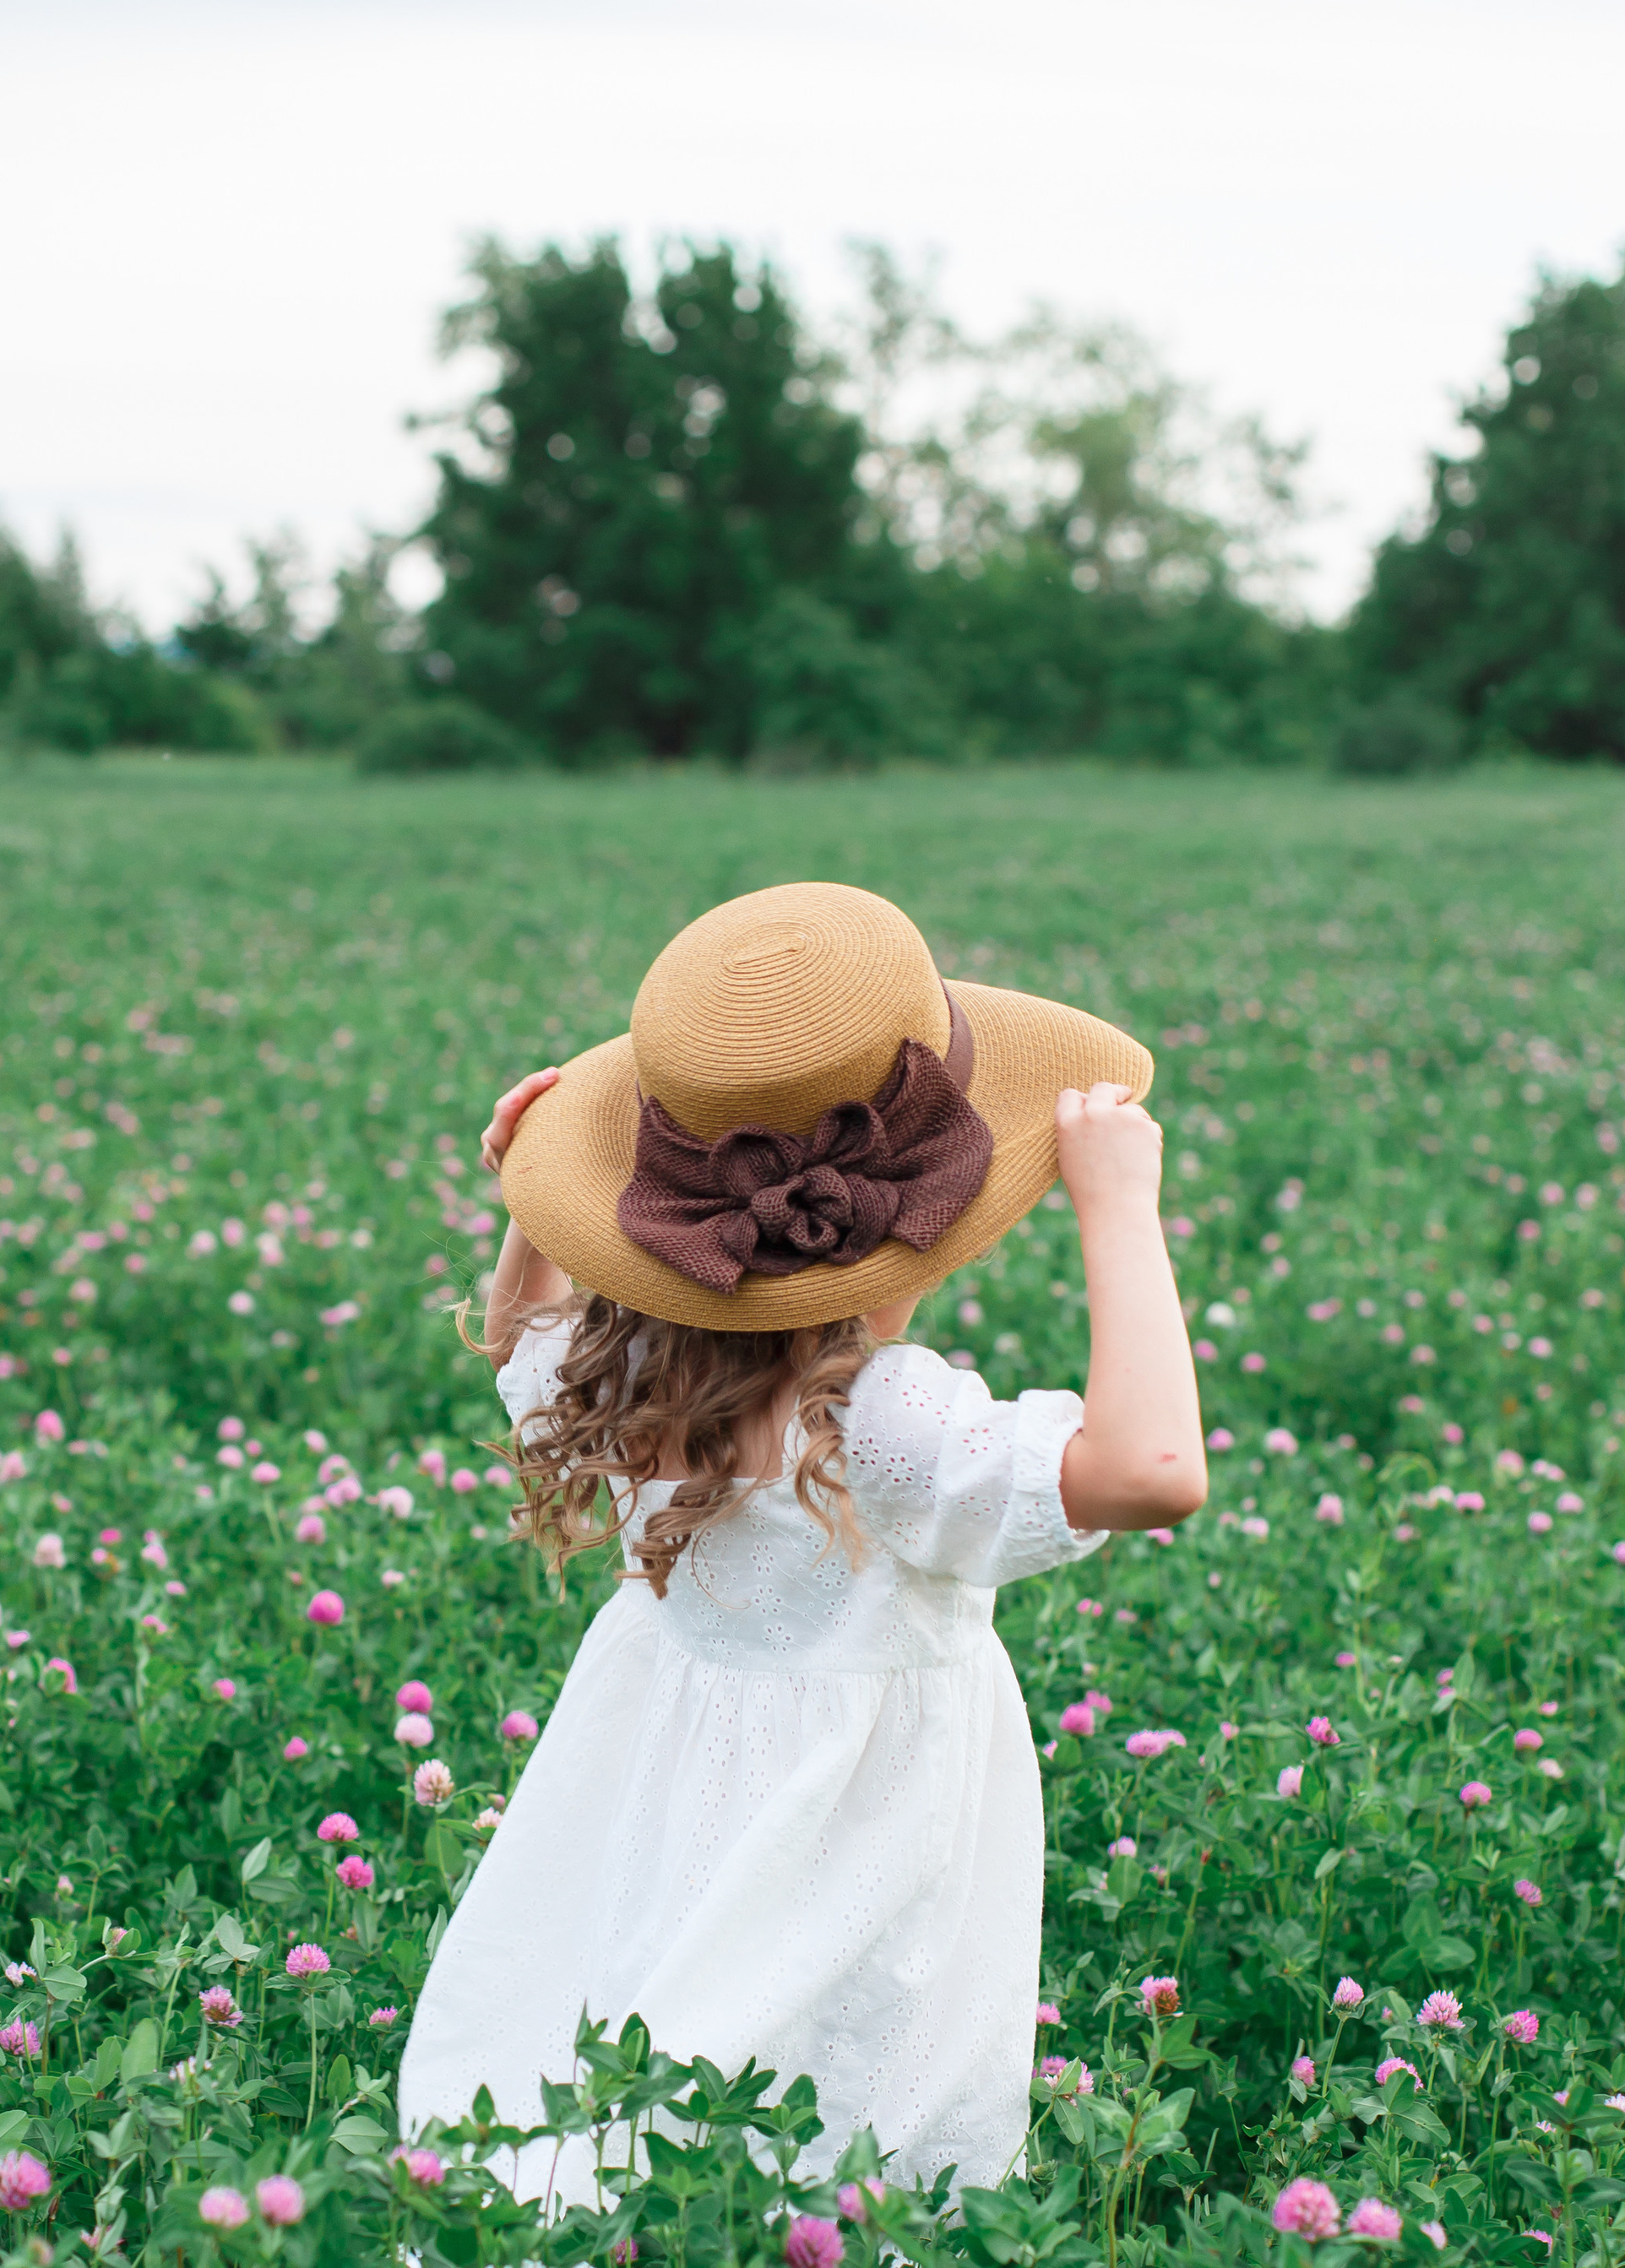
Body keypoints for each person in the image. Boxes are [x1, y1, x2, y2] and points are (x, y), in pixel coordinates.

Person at [397, 881, 1204, 2196]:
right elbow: (1156, 1471)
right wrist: (1119, 1209)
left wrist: (531, 1210)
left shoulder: (630, 1372)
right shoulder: (877, 1426)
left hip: (656, 1786)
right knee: (845, 2069)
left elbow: (523, 1337)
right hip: (862, 1827)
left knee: (649, 2021)